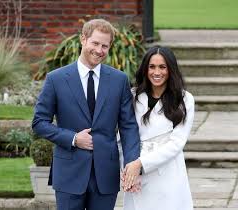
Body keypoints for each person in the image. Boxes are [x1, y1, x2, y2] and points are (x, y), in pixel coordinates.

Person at [32, 19, 140, 210]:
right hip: (68, 174)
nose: (99, 50)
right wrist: (73, 138)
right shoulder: (56, 79)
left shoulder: (119, 80)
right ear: (83, 39)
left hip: (105, 175)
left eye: (105, 46)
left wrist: (132, 164)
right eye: (95, 43)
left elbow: (128, 126)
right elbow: (39, 122)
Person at [122, 46, 195, 210]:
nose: (157, 72)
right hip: (136, 172)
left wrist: (140, 164)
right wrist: (129, 171)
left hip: (167, 172)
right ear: (145, 69)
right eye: (152, 67)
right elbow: (123, 136)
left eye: (162, 67)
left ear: (171, 69)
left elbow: (177, 143)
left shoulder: (184, 99)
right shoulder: (132, 96)